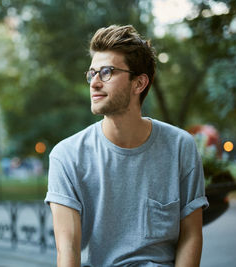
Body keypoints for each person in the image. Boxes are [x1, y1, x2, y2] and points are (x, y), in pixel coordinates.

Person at [45, 25, 209, 267]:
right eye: (92, 73)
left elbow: (191, 236)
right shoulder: (66, 156)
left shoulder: (180, 146)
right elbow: (68, 250)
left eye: (107, 72)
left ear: (139, 83)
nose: (95, 83)